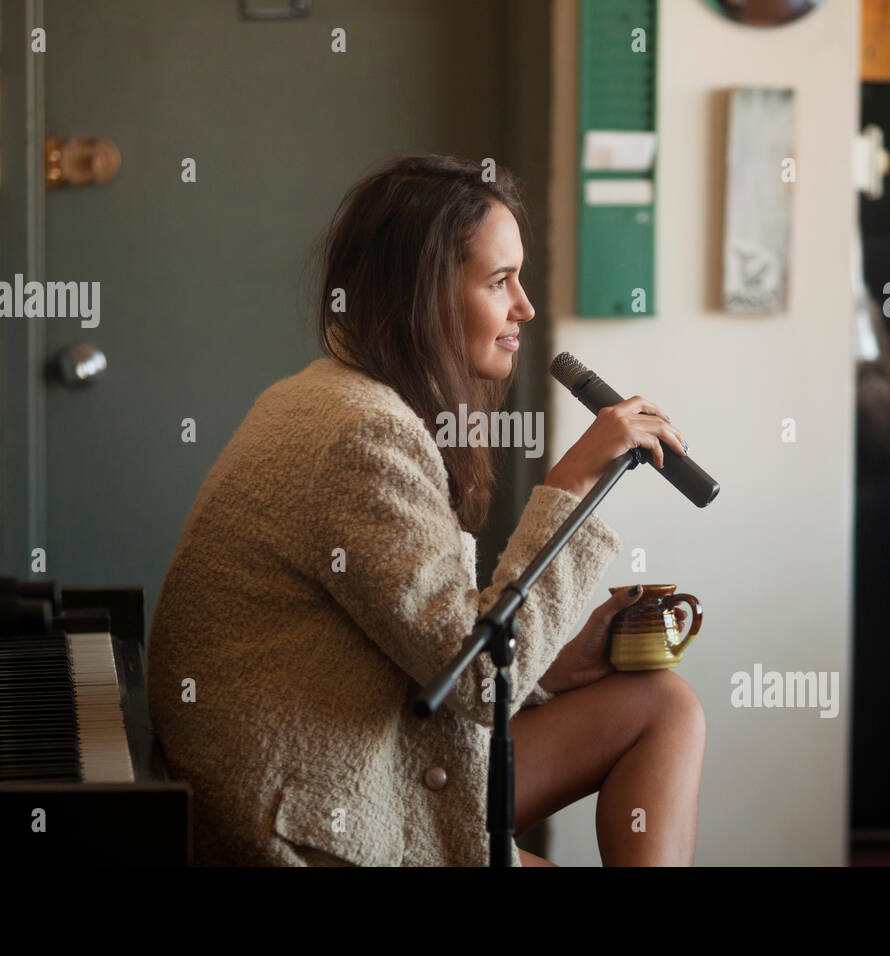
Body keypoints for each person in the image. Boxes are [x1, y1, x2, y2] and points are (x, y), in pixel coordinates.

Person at [147, 154, 706, 867]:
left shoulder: (335, 396)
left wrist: (557, 668)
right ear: (427, 295)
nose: (524, 308)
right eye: (500, 282)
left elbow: (423, 641)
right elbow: (472, 678)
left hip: (354, 765)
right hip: (307, 822)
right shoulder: (361, 431)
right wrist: (572, 483)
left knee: (662, 704)